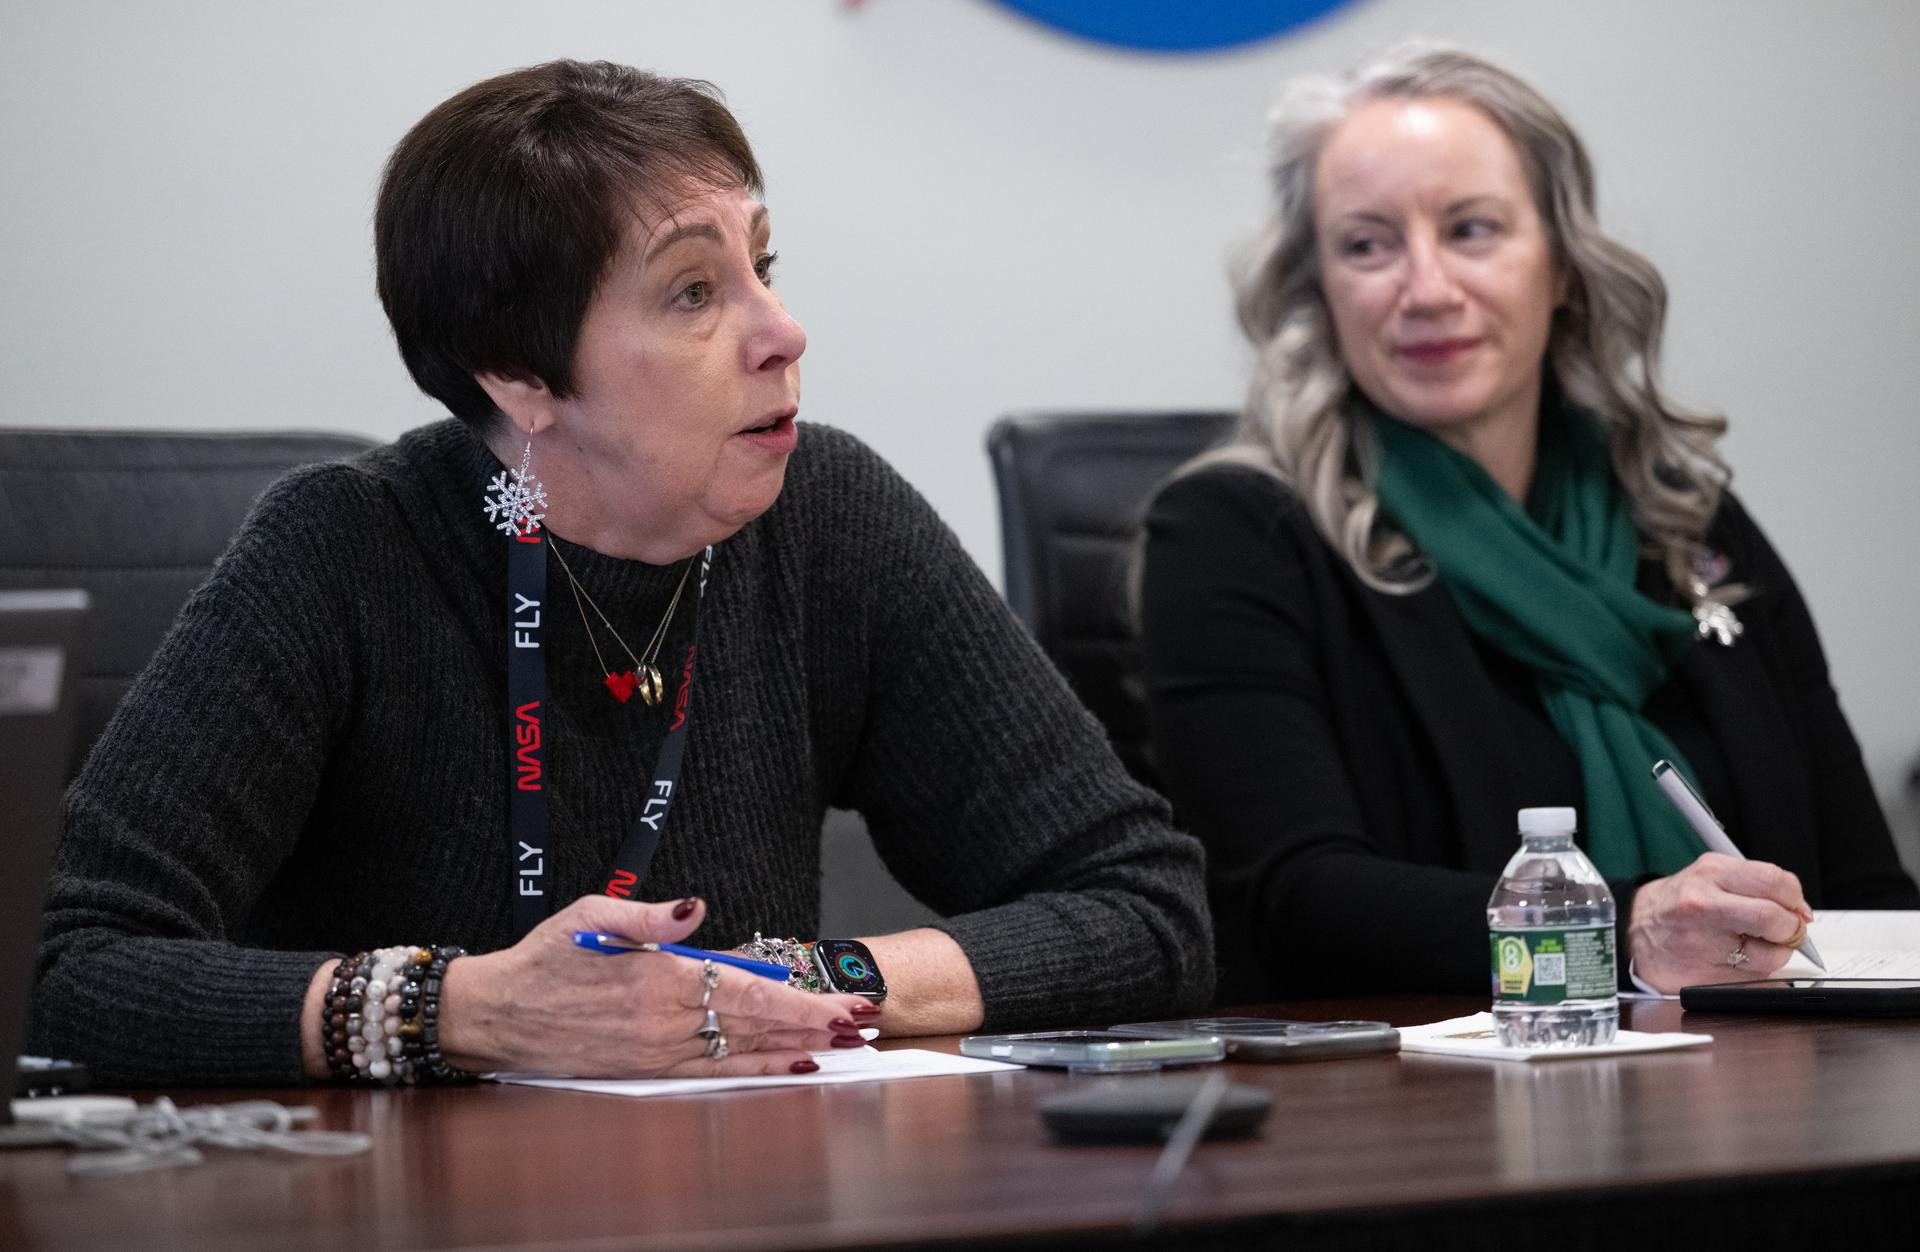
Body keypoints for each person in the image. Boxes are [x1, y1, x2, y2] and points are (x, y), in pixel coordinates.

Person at [30, 59, 1213, 1086]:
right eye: (696, 292)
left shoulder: (829, 519)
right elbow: (63, 959)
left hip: (751, 1190)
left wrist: (795, 979)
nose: (783, 330)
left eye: (764, 264)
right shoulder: (343, 553)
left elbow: (1143, 905)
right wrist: (463, 1012)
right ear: (520, 375)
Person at [1137, 46, 1918, 1003]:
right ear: (1318, 289)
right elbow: (1294, 903)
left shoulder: (1680, 512)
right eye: (1367, 245)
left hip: (1772, 1088)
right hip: (1420, 1114)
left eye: (1471, 230)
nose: (1425, 289)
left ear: (1561, 265)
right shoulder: (1235, 534)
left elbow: (1866, 887)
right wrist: (1625, 929)